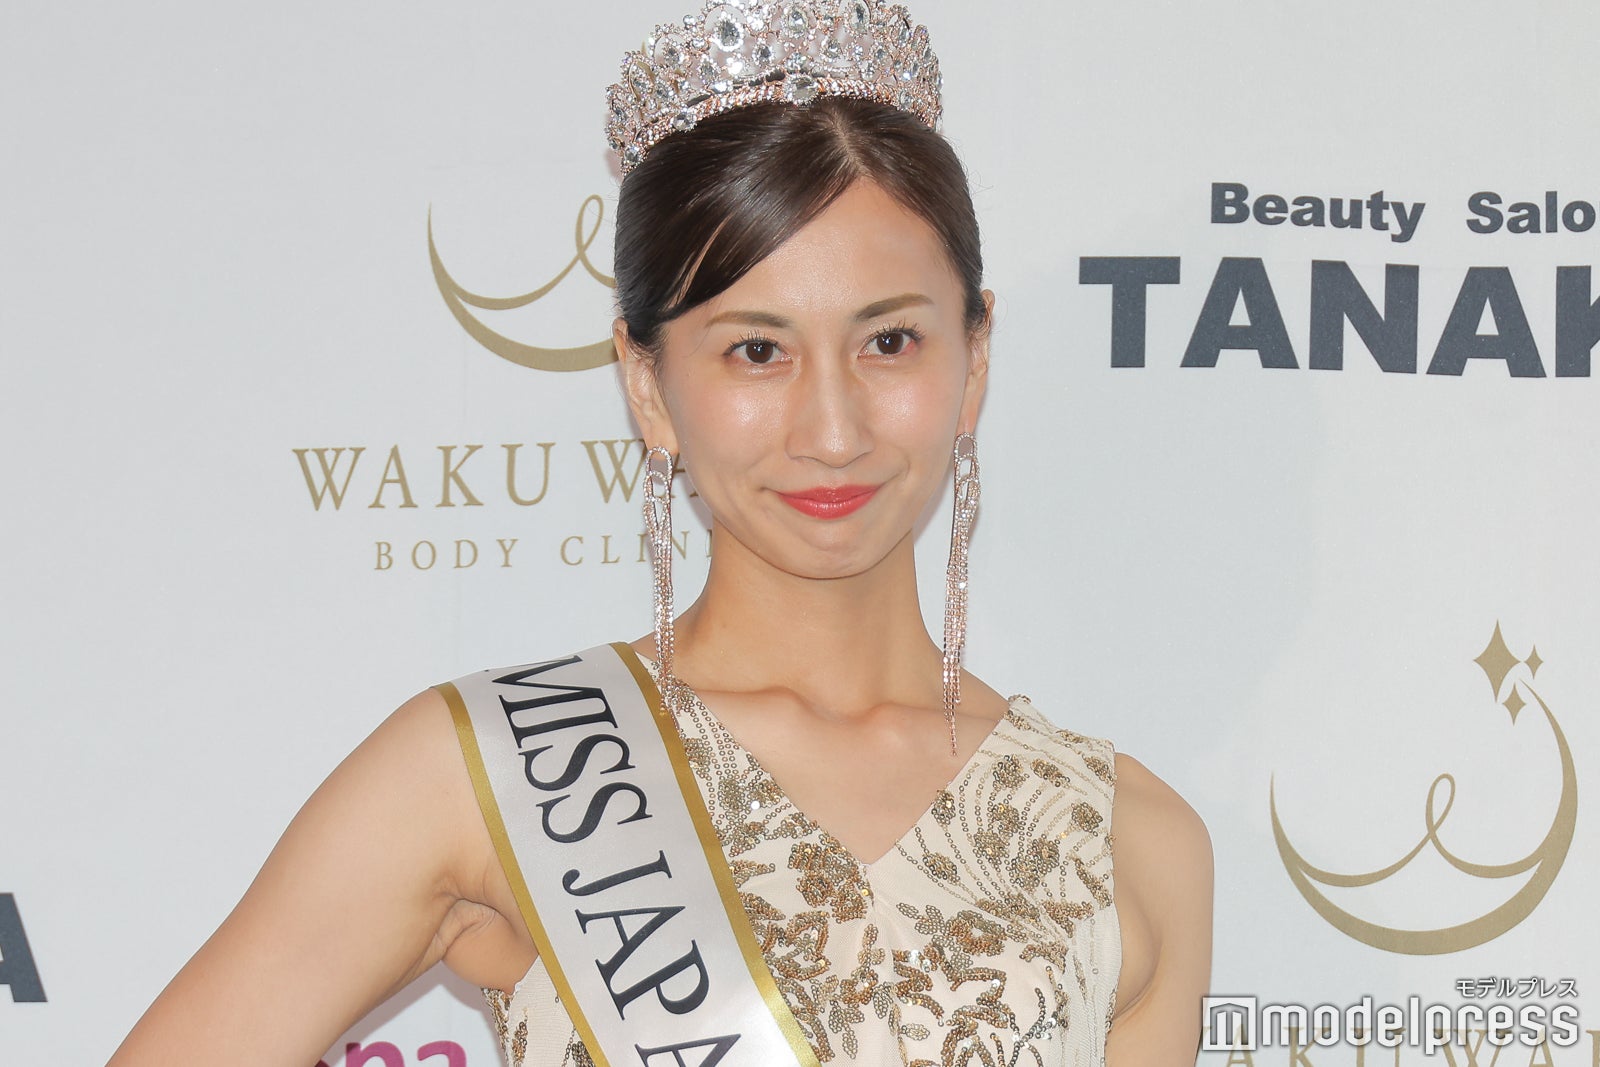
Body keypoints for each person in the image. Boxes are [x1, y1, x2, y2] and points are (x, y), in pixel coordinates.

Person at [107, 1, 1211, 1064]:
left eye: (889, 342)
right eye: (756, 351)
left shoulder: (1133, 839)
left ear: (974, 359)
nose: (833, 431)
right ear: (647, 385)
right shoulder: (483, 770)